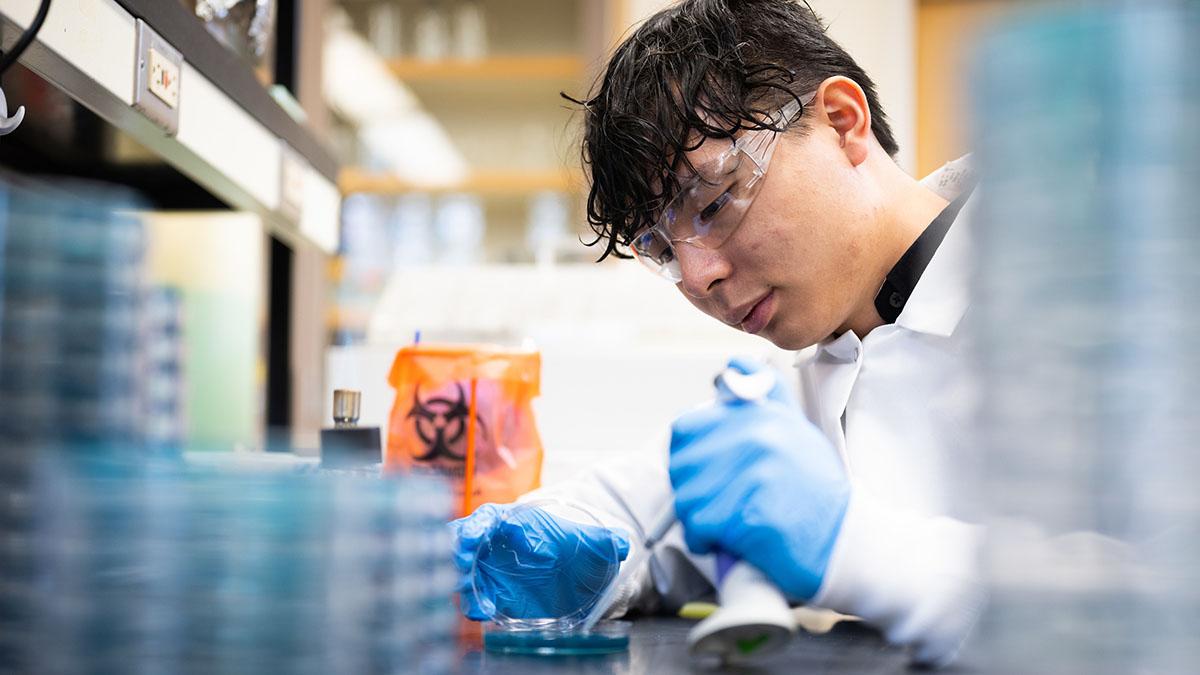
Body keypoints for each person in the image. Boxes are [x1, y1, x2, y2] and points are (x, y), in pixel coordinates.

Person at [452, 0, 983, 666]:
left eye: (714, 202)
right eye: (663, 251)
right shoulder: (828, 368)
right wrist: (566, 550)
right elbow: (640, 511)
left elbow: (1134, 592)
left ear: (843, 122)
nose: (698, 278)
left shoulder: (1085, 282)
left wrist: (851, 546)